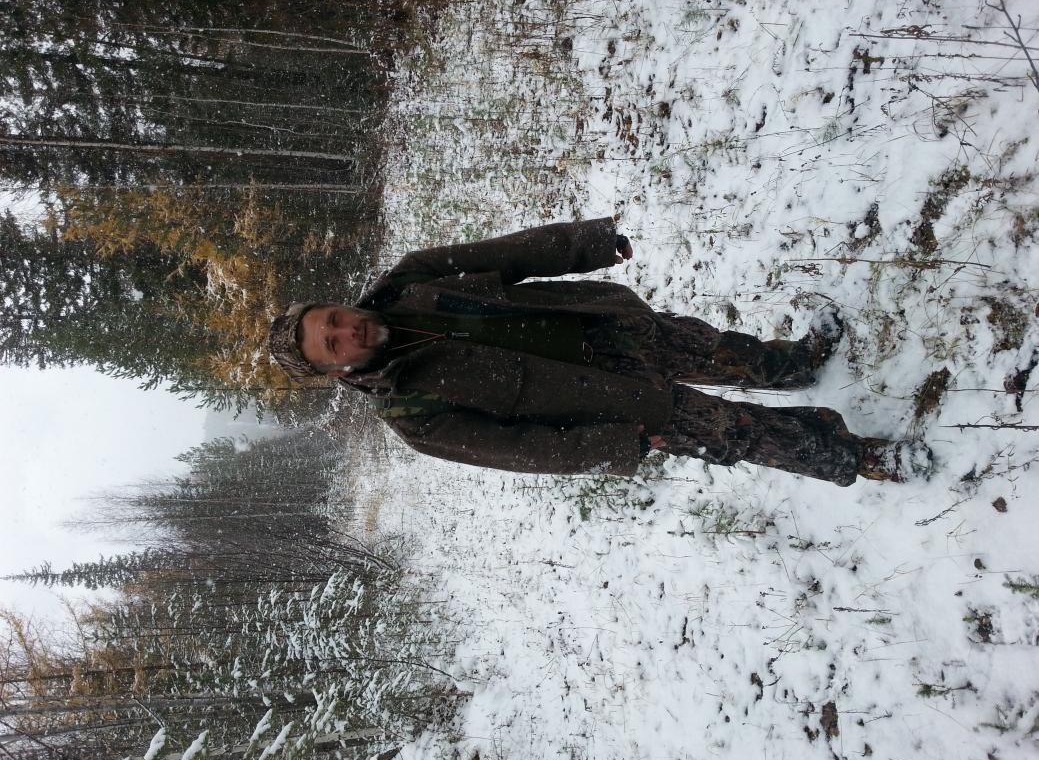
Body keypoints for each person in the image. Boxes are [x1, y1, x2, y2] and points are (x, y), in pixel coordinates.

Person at [268, 218, 931, 485]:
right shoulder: (412, 413)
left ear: (337, 305)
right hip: (616, 406)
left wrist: (587, 244)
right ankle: (858, 457)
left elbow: (507, 255)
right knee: (739, 433)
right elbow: (522, 451)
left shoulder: (411, 280)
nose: (346, 331)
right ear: (333, 370)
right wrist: (619, 445)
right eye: (331, 344)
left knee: (719, 349)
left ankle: (794, 365)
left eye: (333, 319)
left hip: (607, 328)